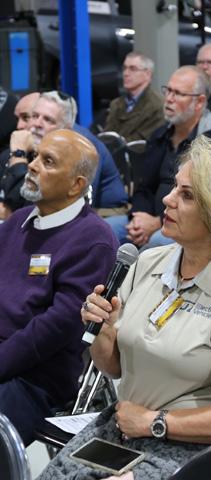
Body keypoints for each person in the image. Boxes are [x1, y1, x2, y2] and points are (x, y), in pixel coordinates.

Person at [38, 136, 211, 480]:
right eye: (175, 187)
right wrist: (104, 330)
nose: (167, 199)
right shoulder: (149, 263)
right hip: (128, 425)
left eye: (187, 196)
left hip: (198, 446)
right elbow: (113, 366)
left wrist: (154, 423)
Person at [0, 129, 118, 445]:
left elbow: (55, 329)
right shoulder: (18, 221)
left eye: (48, 161)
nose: (32, 165)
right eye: (35, 155)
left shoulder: (93, 240)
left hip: (35, 378)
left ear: (76, 185)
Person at [108, 65, 211, 248]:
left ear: (199, 102)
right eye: (168, 91)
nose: (169, 99)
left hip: (192, 224)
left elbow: (206, 202)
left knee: (157, 242)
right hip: (151, 218)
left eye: (178, 94)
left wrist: (158, 222)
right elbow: (144, 187)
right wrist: (139, 218)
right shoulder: (160, 135)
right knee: (104, 230)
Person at [4, 91, 128, 217]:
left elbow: (73, 208)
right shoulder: (38, 143)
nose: (37, 124)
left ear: (66, 127)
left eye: (48, 119)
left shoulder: (81, 148)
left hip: (104, 213)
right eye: (35, 116)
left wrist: (18, 155)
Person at [103, 52, 165, 142]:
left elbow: (142, 144)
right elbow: (106, 137)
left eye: (132, 69)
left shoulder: (158, 106)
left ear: (147, 74)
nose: (125, 73)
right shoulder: (115, 104)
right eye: (124, 68)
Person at [0, 92, 41, 219]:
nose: (19, 126)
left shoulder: (56, 160)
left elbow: (29, 212)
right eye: (17, 118)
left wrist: (18, 154)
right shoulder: (7, 154)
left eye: (25, 117)